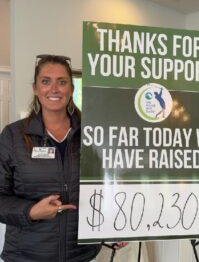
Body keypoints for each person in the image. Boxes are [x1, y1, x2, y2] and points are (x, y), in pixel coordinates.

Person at [0, 54, 126, 262]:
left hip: (81, 256)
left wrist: (113, 225)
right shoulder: (13, 136)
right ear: (35, 88)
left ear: (71, 88)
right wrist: (30, 211)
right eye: (46, 81)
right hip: (25, 256)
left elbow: (107, 186)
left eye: (62, 82)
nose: (54, 89)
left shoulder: (93, 134)